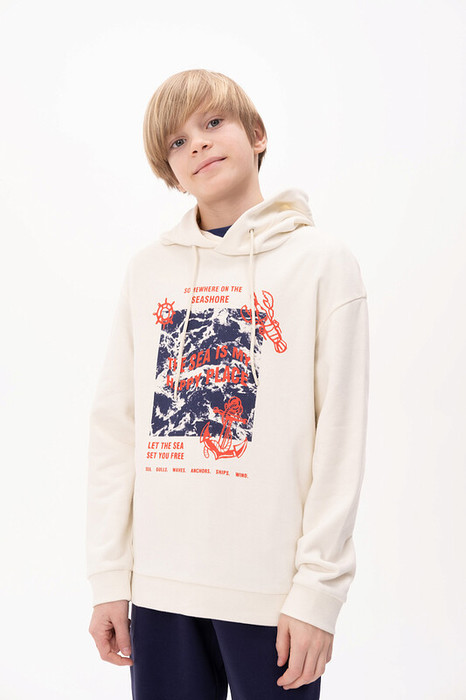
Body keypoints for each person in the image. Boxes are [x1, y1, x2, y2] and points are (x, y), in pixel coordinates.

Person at [86, 68, 370, 699]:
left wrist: (318, 592)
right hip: (158, 588)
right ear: (170, 172)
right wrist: (110, 578)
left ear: (256, 134)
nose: (199, 144)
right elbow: (116, 430)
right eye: (178, 142)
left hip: (270, 595)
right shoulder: (148, 272)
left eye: (213, 123)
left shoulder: (322, 263)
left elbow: (340, 437)